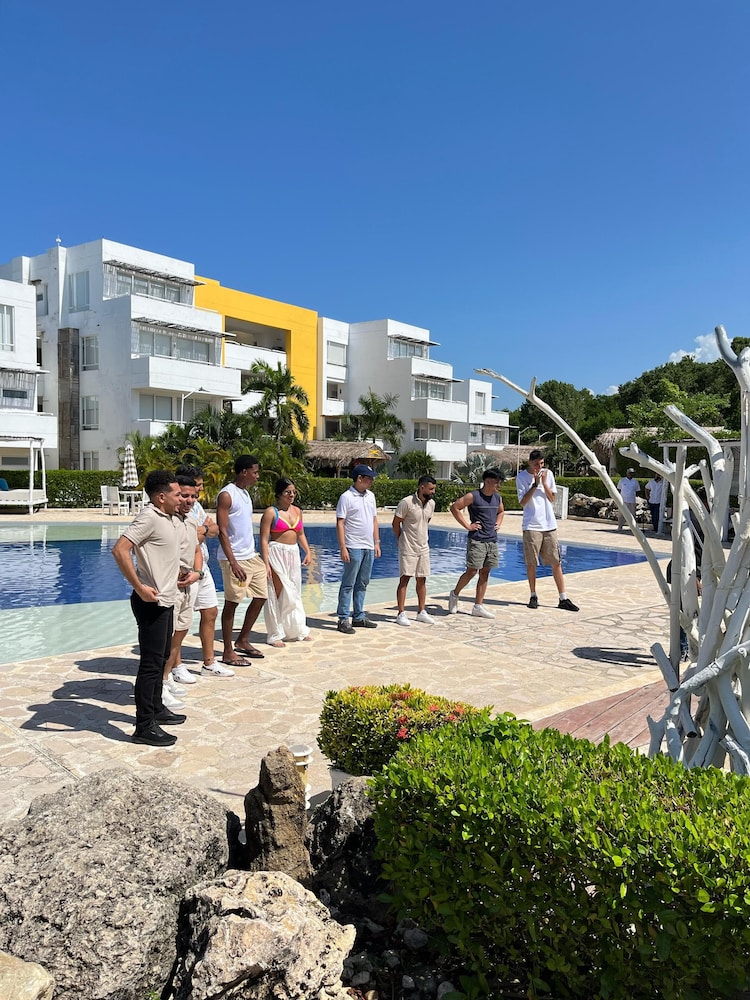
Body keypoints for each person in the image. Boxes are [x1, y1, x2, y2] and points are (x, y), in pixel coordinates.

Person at [111, 470, 186, 747]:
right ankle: (144, 726)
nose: (181, 498)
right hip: (151, 602)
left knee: (163, 657)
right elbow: (120, 549)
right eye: (177, 494)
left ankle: (156, 708)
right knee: (151, 665)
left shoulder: (167, 518)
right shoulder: (149, 517)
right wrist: (140, 587)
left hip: (166, 599)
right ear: (161, 496)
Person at [172, 464, 232, 680]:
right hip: (183, 568)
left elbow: (213, 529)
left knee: (210, 611)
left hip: (202, 566)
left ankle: (209, 662)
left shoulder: (195, 506)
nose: (199, 491)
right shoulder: (175, 508)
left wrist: (204, 529)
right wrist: (200, 532)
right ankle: (176, 666)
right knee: (180, 620)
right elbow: (187, 537)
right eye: (196, 485)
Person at [217, 455, 267, 665]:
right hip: (234, 558)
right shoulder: (227, 495)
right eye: (255, 472)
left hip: (251, 556)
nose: (257, 476)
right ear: (244, 472)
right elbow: (222, 530)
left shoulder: (245, 494)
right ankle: (228, 651)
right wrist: (233, 562)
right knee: (232, 603)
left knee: (261, 596)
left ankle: (243, 640)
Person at [516, 450, 579, 612]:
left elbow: (552, 498)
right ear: (530, 463)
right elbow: (523, 502)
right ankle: (533, 595)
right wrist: (535, 484)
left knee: (556, 561)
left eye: (542, 464)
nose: (539, 467)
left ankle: (563, 598)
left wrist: (544, 483)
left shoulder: (548, 474)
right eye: (536, 464)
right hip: (531, 525)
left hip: (549, 524)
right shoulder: (521, 477)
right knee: (531, 562)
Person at [162, 476, 204, 700]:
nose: (189, 500)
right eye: (184, 496)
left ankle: (166, 676)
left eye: (193, 496)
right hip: (170, 587)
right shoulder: (166, 521)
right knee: (165, 636)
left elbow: (196, 550)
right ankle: (160, 682)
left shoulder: (191, 521)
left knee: (180, 631)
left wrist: (197, 573)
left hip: (188, 586)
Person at [259, 477, 312, 646]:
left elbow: (300, 533)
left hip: (293, 553)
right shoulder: (271, 512)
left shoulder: (297, 511)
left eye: (294, 492)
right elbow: (263, 539)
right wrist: (266, 563)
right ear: (279, 493)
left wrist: (308, 551)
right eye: (288, 492)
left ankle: (297, 629)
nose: (291, 495)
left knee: (294, 591)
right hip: (276, 553)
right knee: (277, 592)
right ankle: (275, 633)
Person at [447, 468, 504, 619]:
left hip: (492, 540)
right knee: (472, 571)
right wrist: (467, 525)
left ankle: (478, 606)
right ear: (488, 481)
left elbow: (501, 511)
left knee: (485, 572)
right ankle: (455, 594)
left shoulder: (497, 498)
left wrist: (498, 523)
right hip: (477, 539)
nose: (499, 485)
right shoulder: (473, 496)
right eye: (497, 482)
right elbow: (455, 507)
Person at [336, 464, 381, 634]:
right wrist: (343, 547)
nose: (372, 481)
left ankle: (359, 616)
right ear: (359, 478)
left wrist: (376, 542)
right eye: (369, 478)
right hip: (353, 545)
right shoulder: (346, 497)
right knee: (348, 583)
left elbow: (374, 520)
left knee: (363, 582)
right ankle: (343, 618)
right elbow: (340, 522)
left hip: (368, 545)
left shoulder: (371, 496)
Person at [392, 475, 437, 626]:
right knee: (404, 579)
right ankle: (401, 613)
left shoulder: (431, 504)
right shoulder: (406, 503)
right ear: (422, 487)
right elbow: (396, 523)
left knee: (422, 579)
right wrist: (401, 539)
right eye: (431, 489)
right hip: (408, 547)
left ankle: (421, 611)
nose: (433, 492)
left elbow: (425, 522)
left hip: (423, 547)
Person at [617, 467, 641, 532]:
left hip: (632, 500)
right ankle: (620, 526)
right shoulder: (622, 480)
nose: (631, 474)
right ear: (627, 473)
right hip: (623, 500)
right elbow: (618, 489)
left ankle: (633, 528)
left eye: (632, 473)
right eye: (629, 473)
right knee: (621, 514)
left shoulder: (635, 481)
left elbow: (637, 490)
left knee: (632, 514)